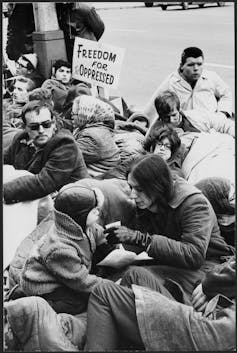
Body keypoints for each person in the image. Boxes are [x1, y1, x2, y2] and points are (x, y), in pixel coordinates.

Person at [104, 154, 234, 298]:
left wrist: (139, 238)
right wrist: (112, 244)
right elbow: (142, 234)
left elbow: (193, 255)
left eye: (139, 189)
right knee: (113, 276)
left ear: (157, 186)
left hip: (207, 268)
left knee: (134, 279)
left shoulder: (194, 203)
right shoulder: (151, 200)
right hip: (172, 262)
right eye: (131, 187)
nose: (133, 195)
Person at [85, 256, 235, 351]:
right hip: (215, 317)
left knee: (103, 292)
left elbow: (195, 257)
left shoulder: (196, 207)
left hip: (215, 331)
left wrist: (206, 286)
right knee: (135, 274)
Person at [19, 185, 114, 314]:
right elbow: (80, 281)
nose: (98, 212)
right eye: (93, 210)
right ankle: (39, 305)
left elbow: (98, 234)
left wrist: (110, 242)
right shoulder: (59, 249)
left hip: (65, 272)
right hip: (45, 285)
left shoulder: (84, 226)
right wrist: (109, 286)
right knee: (78, 303)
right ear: (79, 215)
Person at [3, 100, 89, 204]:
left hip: (72, 204)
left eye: (46, 124)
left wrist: (4, 191)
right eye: (34, 127)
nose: (41, 130)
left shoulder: (65, 145)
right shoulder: (21, 139)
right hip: (39, 200)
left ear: (54, 123)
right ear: (26, 127)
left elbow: (44, 183)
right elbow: (4, 158)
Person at [144, 47, 233, 122]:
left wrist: (222, 113)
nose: (196, 68)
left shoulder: (211, 77)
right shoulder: (171, 82)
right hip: (185, 129)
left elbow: (226, 94)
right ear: (182, 66)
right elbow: (153, 107)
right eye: (191, 65)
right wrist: (144, 122)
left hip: (211, 125)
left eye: (199, 64)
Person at [146, 90, 235, 139]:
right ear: (160, 116)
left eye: (174, 115)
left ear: (179, 109)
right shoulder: (155, 132)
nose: (171, 120)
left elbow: (223, 123)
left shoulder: (198, 116)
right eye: (166, 118)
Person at [72, 95, 120, 178]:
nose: (71, 117)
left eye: (74, 114)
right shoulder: (100, 129)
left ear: (84, 114)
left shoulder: (92, 136)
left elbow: (67, 156)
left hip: (96, 181)